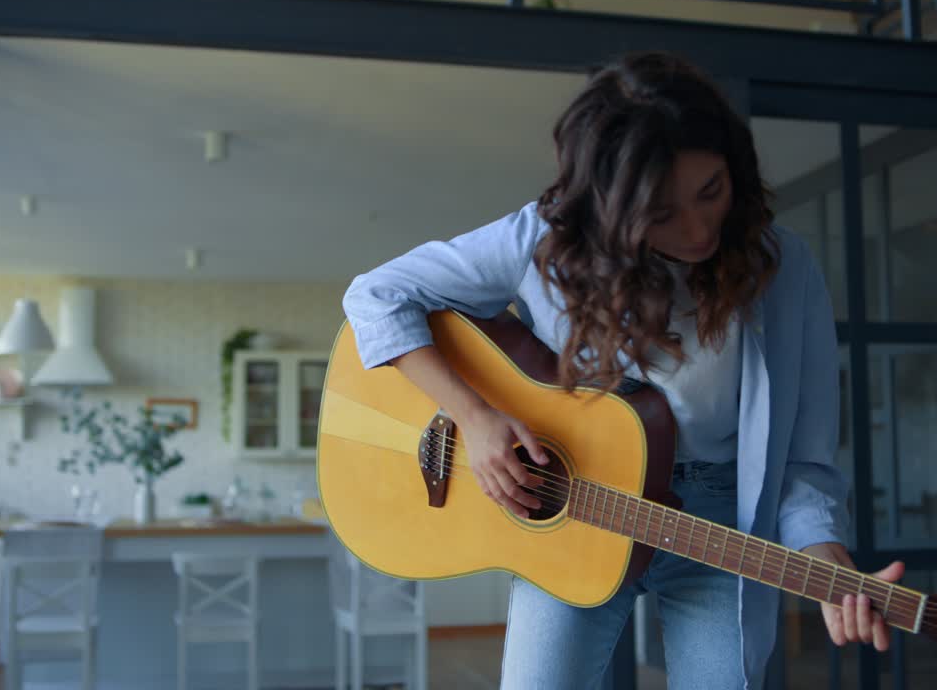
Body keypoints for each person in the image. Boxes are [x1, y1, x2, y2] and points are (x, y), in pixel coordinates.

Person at [341, 51, 903, 690]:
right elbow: (376, 297)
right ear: (607, 207)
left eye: (710, 192)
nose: (697, 230)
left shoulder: (784, 267)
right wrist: (475, 418)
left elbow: (804, 455)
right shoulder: (542, 240)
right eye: (660, 214)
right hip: (573, 504)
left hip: (720, 524)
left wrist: (825, 562)